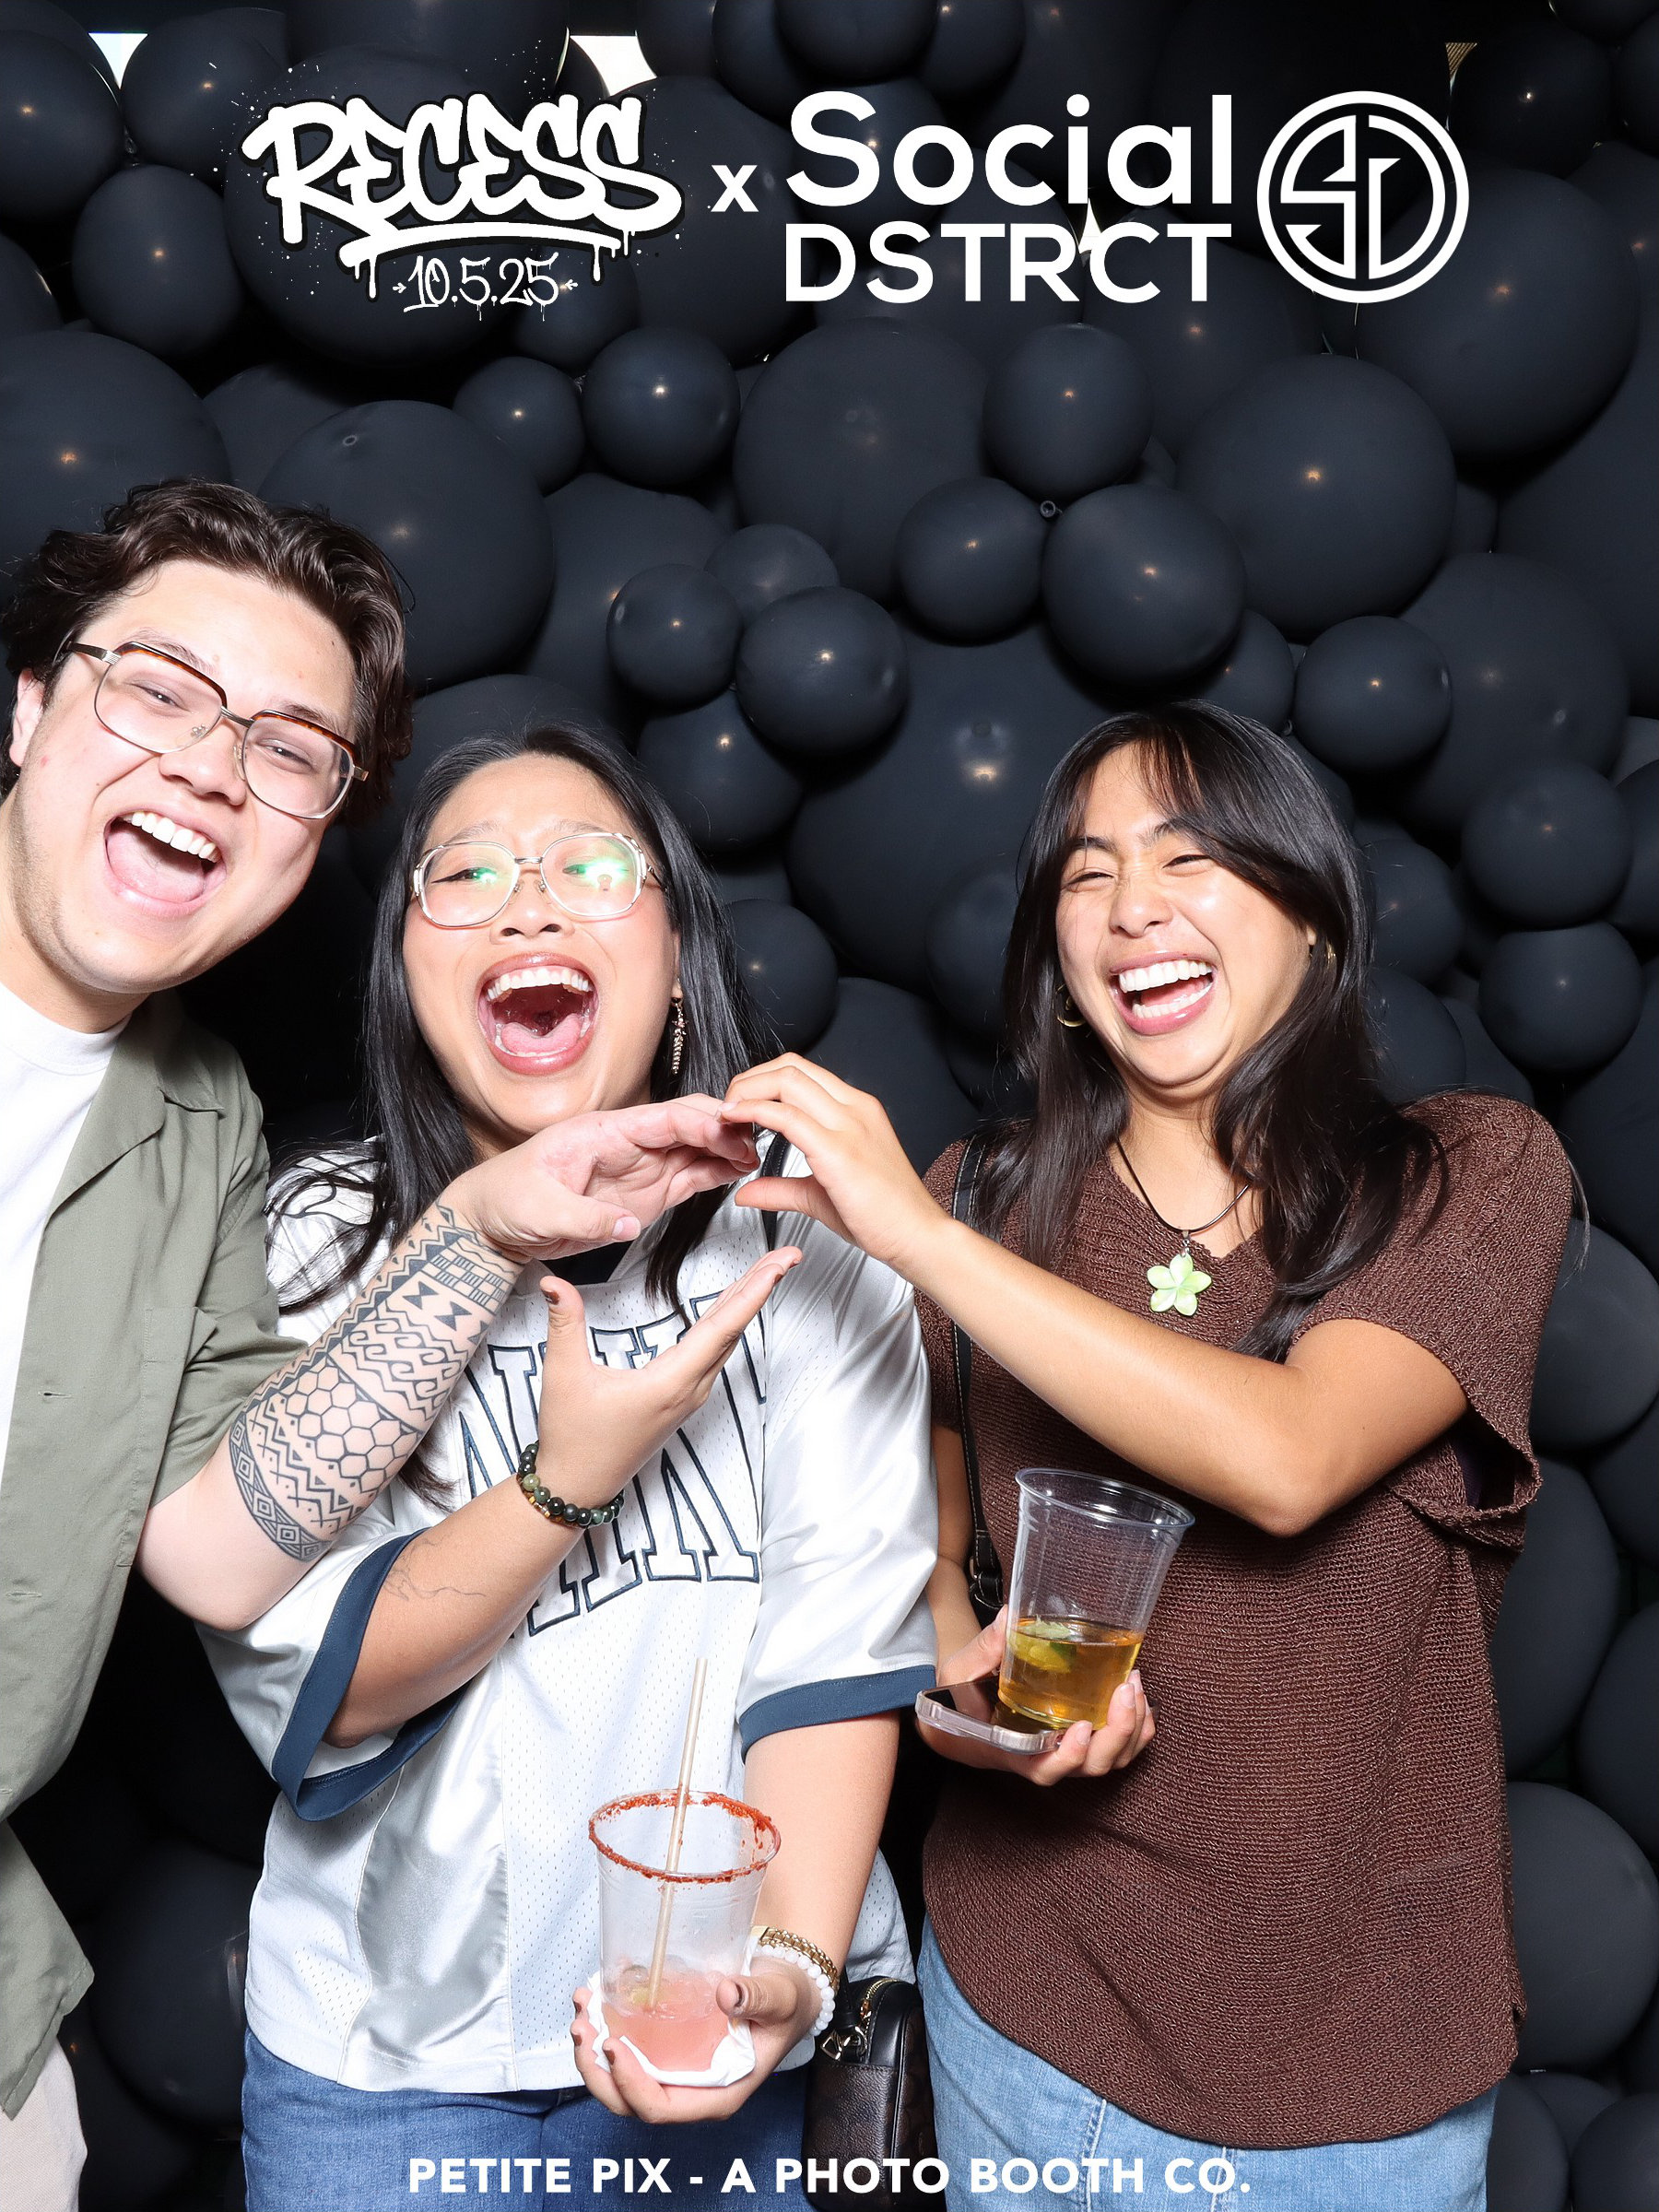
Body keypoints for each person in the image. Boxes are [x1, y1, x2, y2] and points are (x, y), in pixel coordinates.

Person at [721, 705, 1574, 2212]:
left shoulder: (1464, 1174)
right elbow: (926, 1563)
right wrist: (976, 1705)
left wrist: (918, 1242)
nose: (1134, 908)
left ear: (1312, 918)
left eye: (1192, 859)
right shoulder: (982, 1200)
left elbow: (1292, 1456)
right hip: (1025, 2018)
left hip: (1352, 2088)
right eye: (1087, 873)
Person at [0, 485, 742, 2212]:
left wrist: (481, 1231)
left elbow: (209, 1549)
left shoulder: (197, 1127)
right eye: (157, 690)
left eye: (288, 748)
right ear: (26, 708)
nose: (209, 768)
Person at [200, 723, 937, 2212]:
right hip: (388, 2067)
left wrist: (784, 1981)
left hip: (742, 2041)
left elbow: (837, 1659)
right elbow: (325, 1676)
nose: (528, 903)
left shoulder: (817, 1241)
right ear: (407, 981)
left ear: (677, 960)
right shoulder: (313, 1245)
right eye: (465, 876)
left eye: (590, 868)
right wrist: (567, 1480)